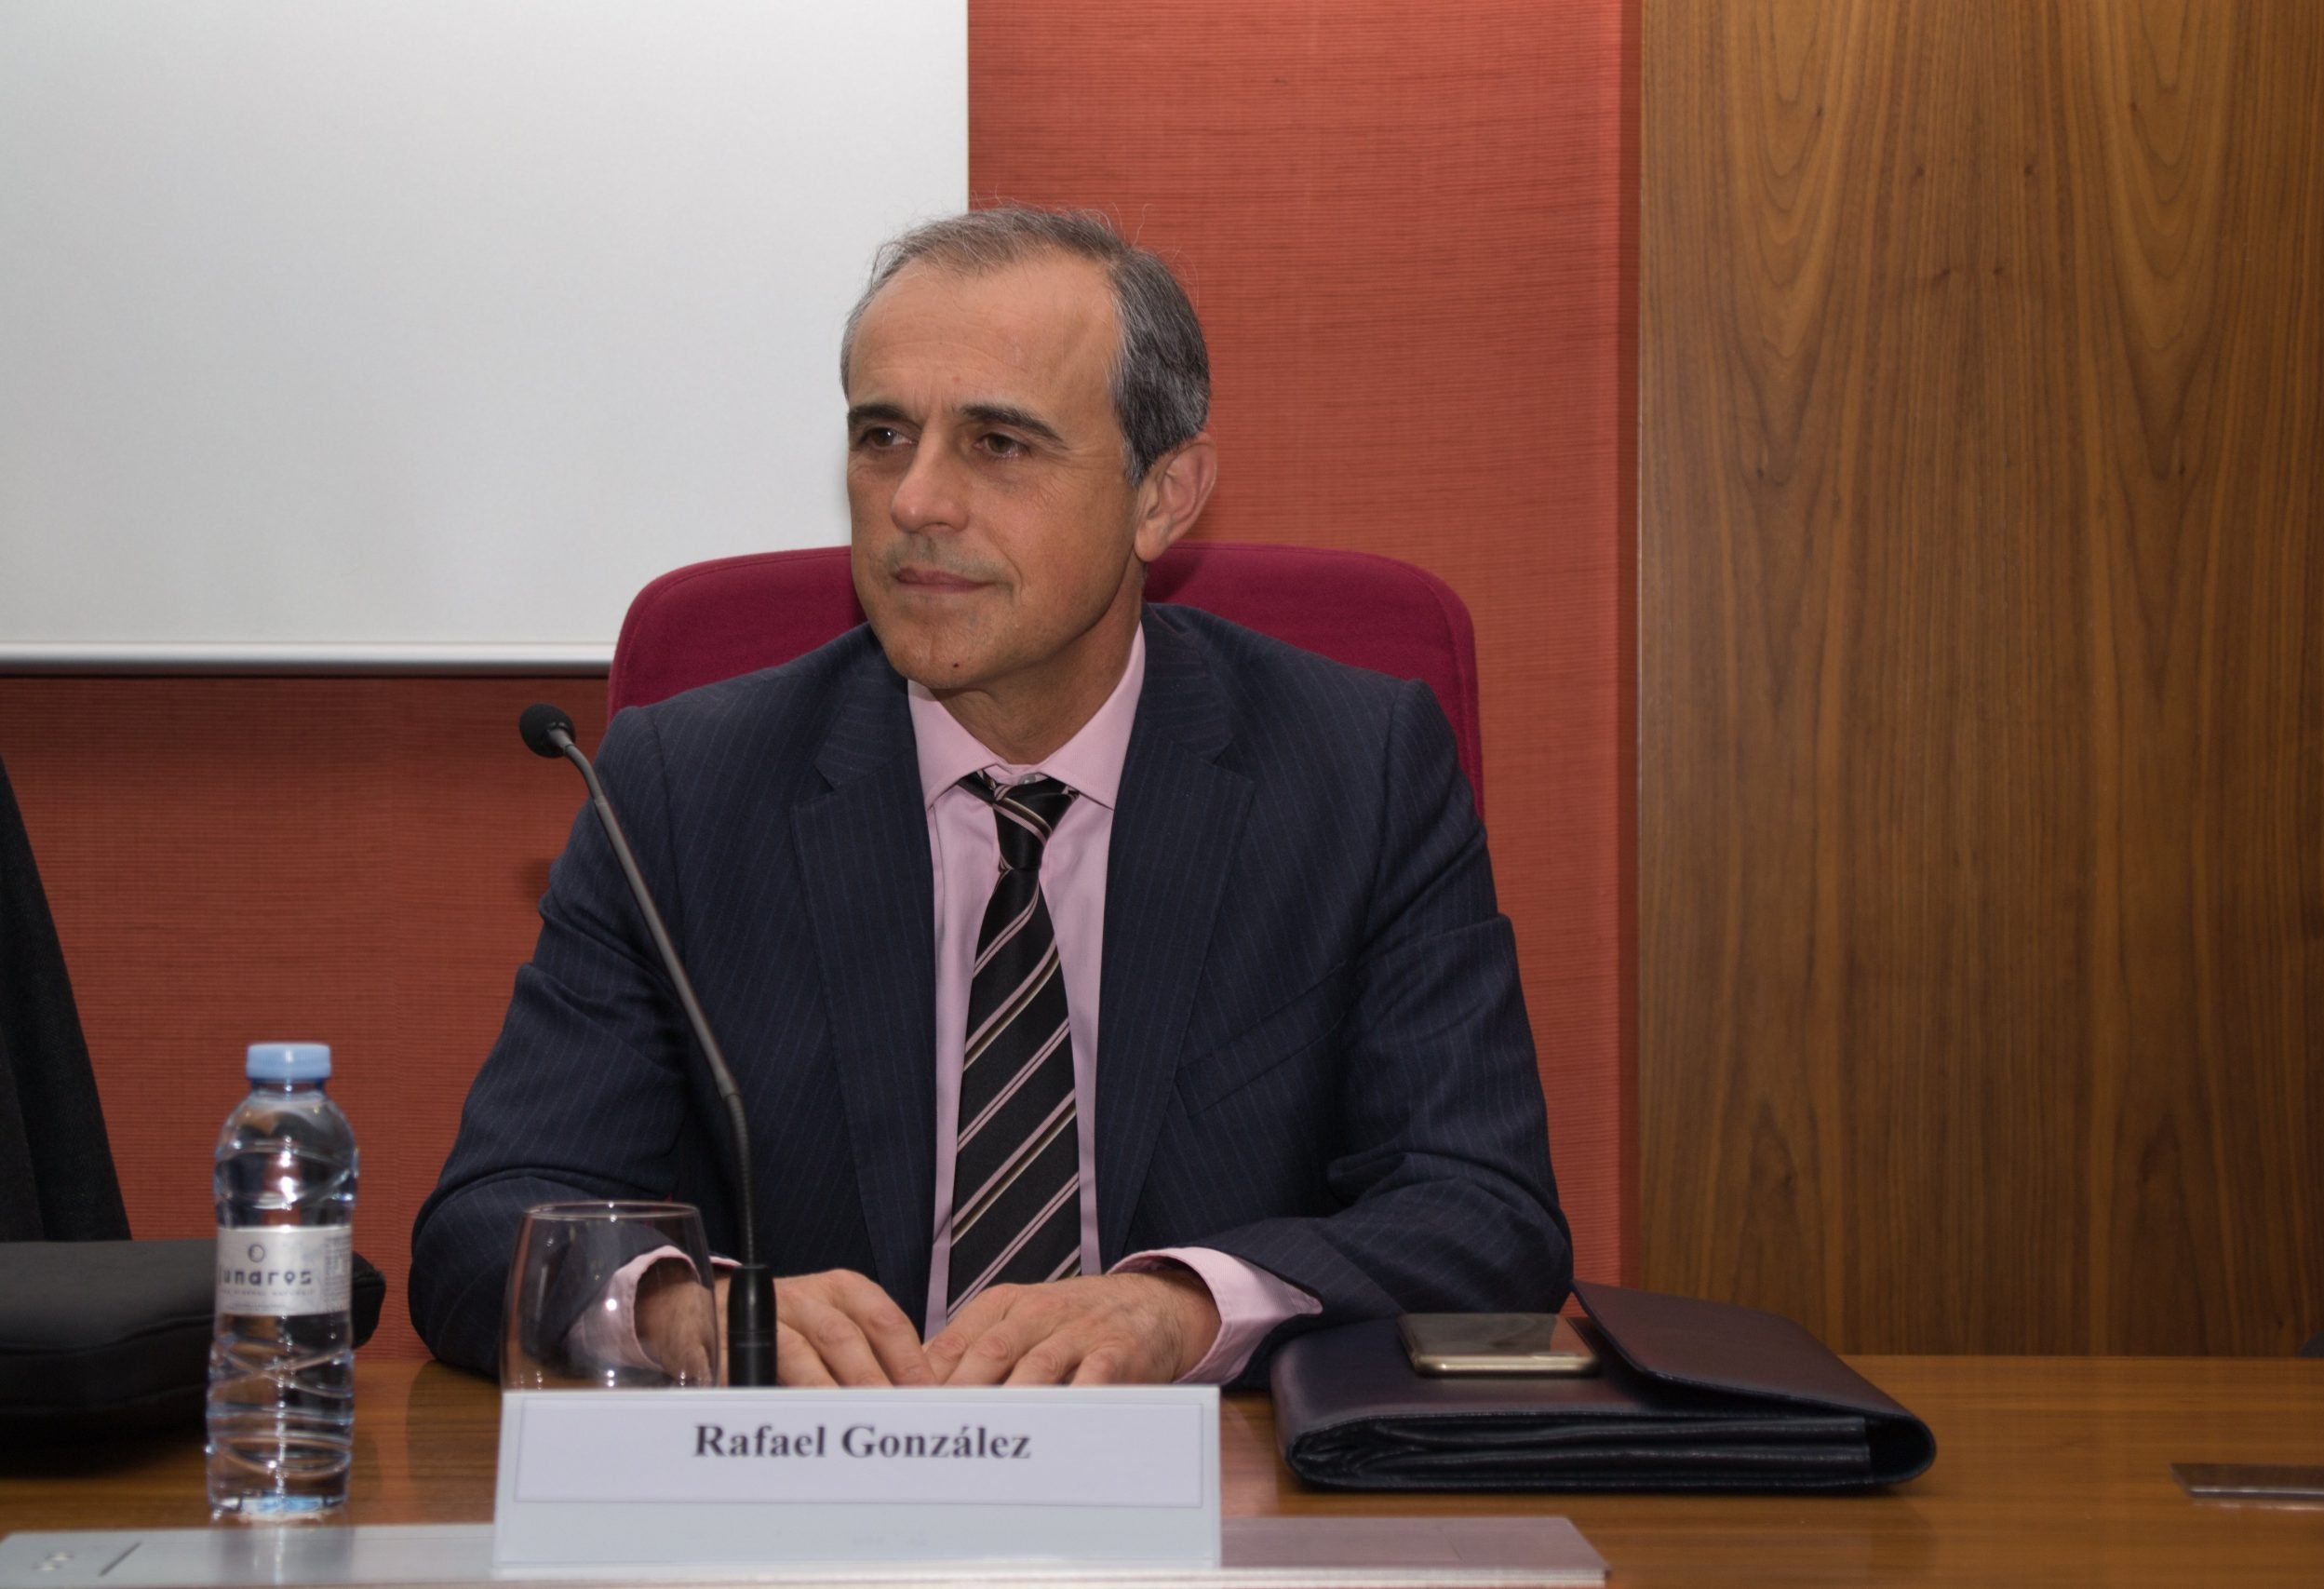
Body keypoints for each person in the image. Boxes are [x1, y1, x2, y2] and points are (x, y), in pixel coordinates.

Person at [410, 207, 1568, 1388]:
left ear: (1163, 496)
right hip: (809, 1482)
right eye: (881, 436)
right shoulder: (682, 787)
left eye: (999, 444)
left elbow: (1485, 1219)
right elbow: (483, 1228)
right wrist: (679, 1312)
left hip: (1210, 1483)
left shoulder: (1355, 772)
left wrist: (1184, 1309)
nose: (915, 501)